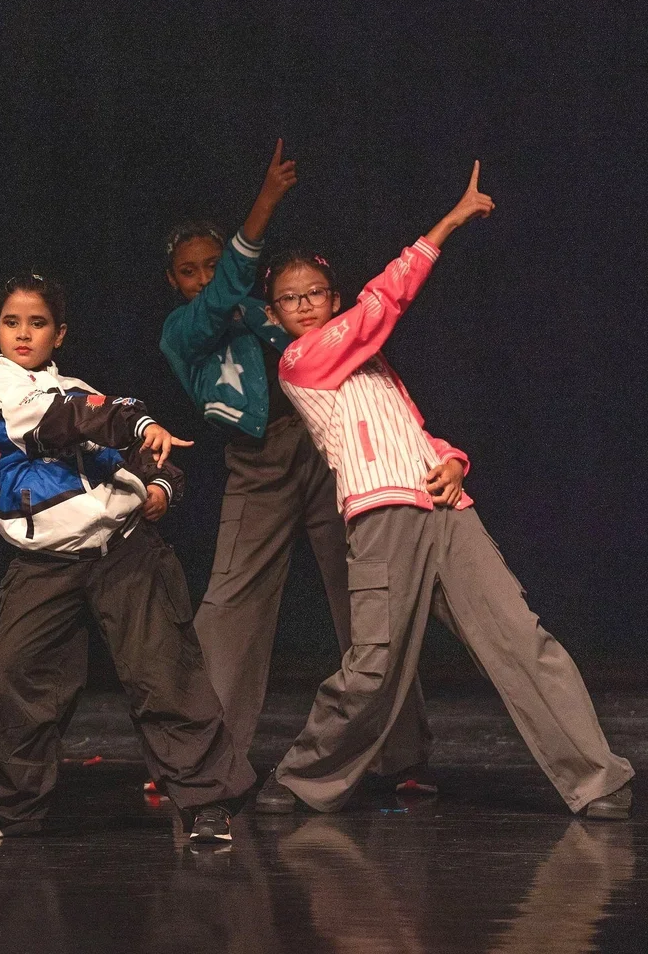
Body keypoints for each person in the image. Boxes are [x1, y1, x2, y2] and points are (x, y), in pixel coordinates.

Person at [254, 163, 633, 819]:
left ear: (330, 297)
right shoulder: (303, 361)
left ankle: (598, 779)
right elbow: (384, 302)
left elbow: (409, 430)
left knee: (522, 637)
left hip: (445, 511)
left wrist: (454, 461)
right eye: (292, 298)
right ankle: (299, 779)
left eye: (317, 292)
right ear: (274, 313)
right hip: (383, 519)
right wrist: (448, 225)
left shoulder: (367, 360)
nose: (307, 304)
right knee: (372, 671)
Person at [158, 143, 433, 789]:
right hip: (258, 464)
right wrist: (266, 203)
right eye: (190, 270)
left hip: (328, 449)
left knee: (366, 594)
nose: (205, 278)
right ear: (176, 282)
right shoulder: (184, 329)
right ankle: (199, 760)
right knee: (230, 605)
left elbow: (339, 347)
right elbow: (223, 293)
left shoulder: (266, 311)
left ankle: (399, 755)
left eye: (212, 266)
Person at [0, 273, 256, 843]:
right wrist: (137, 418)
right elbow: (69, 418)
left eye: (38, 323)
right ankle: (7, 806)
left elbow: (136, 451)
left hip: (124, 551)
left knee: (163, 672)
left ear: (60, 333)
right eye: (11, 322)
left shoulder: (77, 388)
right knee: (13, 671)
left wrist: (162, 486)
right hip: (45, 561)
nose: (23, 334)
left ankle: (208, 801)